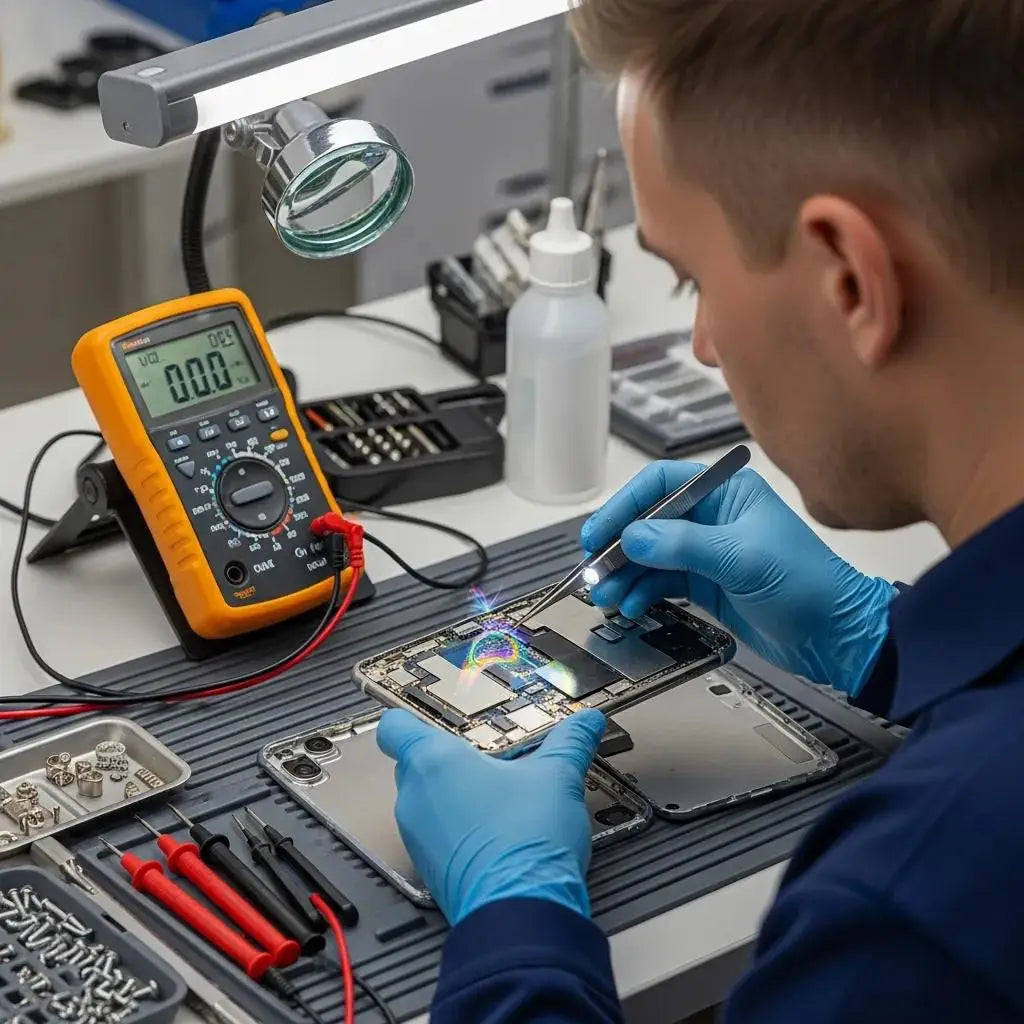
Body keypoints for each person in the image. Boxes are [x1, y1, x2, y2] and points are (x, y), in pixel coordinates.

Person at [378, 1, 1024, 1020]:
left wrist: (515, 922)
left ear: (851, 279)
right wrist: (884, 644)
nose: (703, 347)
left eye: (690, 280)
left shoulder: (918, 901)